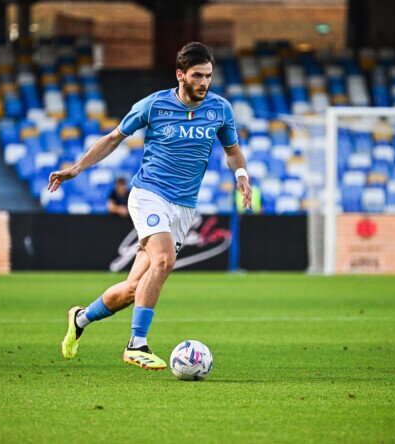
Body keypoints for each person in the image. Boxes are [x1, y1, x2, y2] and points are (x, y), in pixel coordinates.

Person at [48, 42, 252, 370]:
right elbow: (113, 137)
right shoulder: (153, 105)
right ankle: (136, 344)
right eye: (197, 76)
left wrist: (241, 176)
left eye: (209, 76)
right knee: (164, 259)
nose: (204, 82)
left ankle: (81, 318)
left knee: (132, 289)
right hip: (149, 194)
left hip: (184, 207)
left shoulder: (220, 109)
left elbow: (232, 150)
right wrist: (76, 168)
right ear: (180, 75)